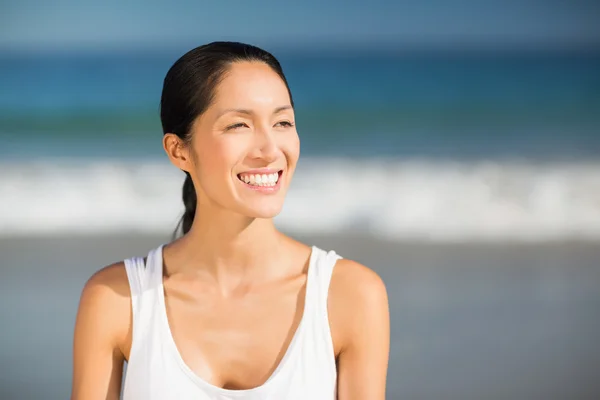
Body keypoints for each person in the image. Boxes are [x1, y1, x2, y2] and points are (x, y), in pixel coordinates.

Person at [71, 41, 390, 400]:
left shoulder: (349, 296)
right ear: (179, 151)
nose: (270, 150)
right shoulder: (117, 299)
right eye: (239, 125)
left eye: (283, 122)